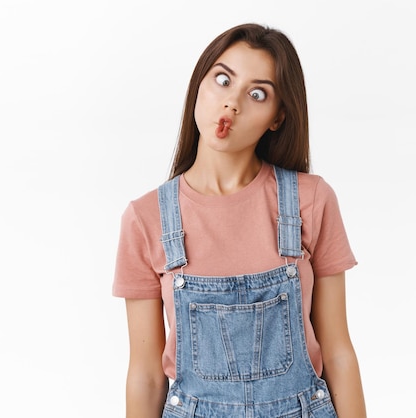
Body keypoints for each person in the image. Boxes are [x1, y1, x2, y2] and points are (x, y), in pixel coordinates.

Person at [112, 23, 367, 418]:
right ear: (200, 84)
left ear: (278, 117)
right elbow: (145, 376)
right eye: (223, 80)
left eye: (257, 93)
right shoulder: (145, 219)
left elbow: (338, 352)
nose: (231, 104)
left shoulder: (311, 201)